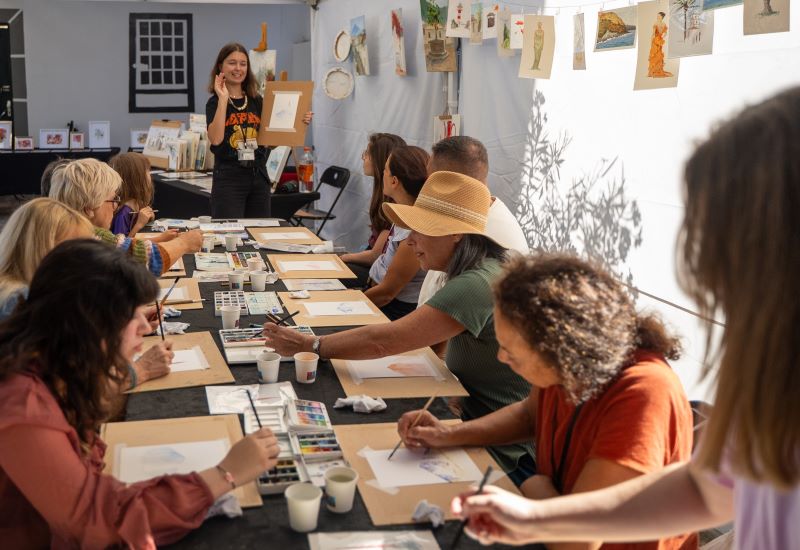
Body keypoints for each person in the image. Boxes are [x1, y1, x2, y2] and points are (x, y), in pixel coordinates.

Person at [453, 87, 800, 550]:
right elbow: (704, 488)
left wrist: (541, 505)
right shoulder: (774, 371)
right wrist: (539, 517)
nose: (715, 280)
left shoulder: (644, 388)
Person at [401, 253, 696, 549]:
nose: (501, 358)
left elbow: (576, 541)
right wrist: (447, 435)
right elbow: (529, 415)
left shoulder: (643, 394)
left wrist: (534, 485)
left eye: (511, 352)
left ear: (560, 346)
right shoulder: (572, 364)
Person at [0, 239, 280, 548]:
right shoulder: (23, 404)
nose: (144, 329)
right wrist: (224, 474)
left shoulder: (55, 360)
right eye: (129, 315)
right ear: (90, 323)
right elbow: (96, 522)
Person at [264, 171, 534, 479]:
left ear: (457, 233)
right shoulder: (479, 267)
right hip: (476, 422)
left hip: (508, 451)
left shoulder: (475, 283)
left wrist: (311, 345)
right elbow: (443, 337)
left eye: (421, 229)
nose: (411, 240)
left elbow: (384, 342)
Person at [0, 197, 174, 388]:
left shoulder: (25, 289)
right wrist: (141, 370)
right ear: (46, 251)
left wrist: (123, 322)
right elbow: (73, 388)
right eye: (79, 251)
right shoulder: (21, 302)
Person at [416, 136, 529, 307]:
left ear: (450, 181)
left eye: (430, 180)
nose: (426, 186)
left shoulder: (495, 239)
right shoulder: (469, 215)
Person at [206, 42, 312, 218]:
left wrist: (298, 122)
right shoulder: (214, 103)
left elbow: (269, 143)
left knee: (259, 235)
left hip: (259, 177)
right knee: (229, 235)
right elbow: (216, 139)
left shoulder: (257, 101)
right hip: (229, 179)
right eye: (232, 62)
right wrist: (223, 98)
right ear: (220, 66)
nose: (238, 68)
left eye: (243, 63)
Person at [49, 158, 202, 276]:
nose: (115, 206)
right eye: (112, 200)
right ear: (89, 208)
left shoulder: (61, 230)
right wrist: (184, 242)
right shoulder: (90, 237)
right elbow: (150, 260)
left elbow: (125, 246)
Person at [364, 145, 429, 320]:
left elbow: (387, 293)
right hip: (377, 293)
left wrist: (352, 303)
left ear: (394, 181)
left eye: (384, 170)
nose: (381, 175)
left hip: (394, 309)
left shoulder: (413, 231)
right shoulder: (403, 211)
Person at [340, 133, 407, 287]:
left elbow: (376, 254)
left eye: (367, 153)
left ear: (380, 161)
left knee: (333, 271)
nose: (363, 157)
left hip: (377, 270)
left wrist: (345, 257)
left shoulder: (392, 201)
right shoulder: (382, 193)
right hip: (375, 266)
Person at [108, 152, 168, 238]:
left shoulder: (138, 203)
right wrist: (139, 225)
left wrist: (148, 219)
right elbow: (121, 247)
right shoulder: (123, 213)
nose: (150, 175)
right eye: (147, 171)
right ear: (136, 178)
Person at [647, 12, 672, 78]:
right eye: (657, 15)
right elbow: (665, 33)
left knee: (654, 55)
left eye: (658, 16)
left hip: (655, 40)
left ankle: (653, 71)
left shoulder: (656, 23)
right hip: (659, 41)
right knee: (658, 54)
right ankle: (656, 70)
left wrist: (651, 41)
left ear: (661, 17)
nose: (657, 17)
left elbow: (653, 34)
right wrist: (661, 38)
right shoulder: (664, 24)